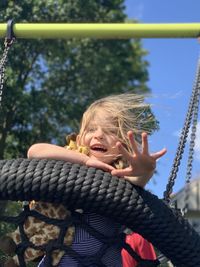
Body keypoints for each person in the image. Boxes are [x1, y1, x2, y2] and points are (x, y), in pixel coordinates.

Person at [27, 93, 166, 266]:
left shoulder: (119, 174)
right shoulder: (69, 164)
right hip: (58, 258)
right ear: (79, 140)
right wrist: (85, 161)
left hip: (103, 259)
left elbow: (137, 182)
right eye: (92, 129)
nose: (99, 135)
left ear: (123, 144)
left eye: (110, 131)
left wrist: (146, 170)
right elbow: (35, 151)